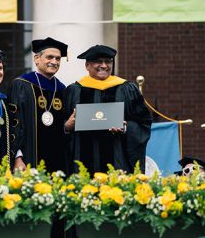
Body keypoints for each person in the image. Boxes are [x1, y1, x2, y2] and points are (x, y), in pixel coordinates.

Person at [63, 45, 152, 174]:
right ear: (87, 65)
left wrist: (126, 128)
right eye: (98, 61)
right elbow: (61, 124)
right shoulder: (74, 90)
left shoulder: (127, 89)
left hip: (118, 162)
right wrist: (67, 126)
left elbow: (143, 123)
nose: (104, 65)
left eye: (108, 61)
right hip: (82, 163)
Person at [9, 37, 69, 173]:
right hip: (28, 158)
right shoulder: (21, 85)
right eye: (50, 57)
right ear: (36, 59)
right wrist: (17, 158)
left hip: (57, 160)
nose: (54, 62)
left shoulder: (62, 89)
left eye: (58, 59)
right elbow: (14, 124)